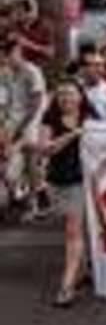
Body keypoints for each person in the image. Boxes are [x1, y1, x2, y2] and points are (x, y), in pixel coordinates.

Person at [30, 81, 97, 307]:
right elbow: (45, 149)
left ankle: (66, 286)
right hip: (58, 181)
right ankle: (84, 269)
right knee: (73, 228)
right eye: (61, 95)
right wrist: (74, 134)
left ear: (80, 96)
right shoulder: (50, 119)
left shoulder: (91, 116)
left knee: (73, 231)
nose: (65, 98)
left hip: (82, 180)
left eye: (70, 93)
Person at [0, 35, 47, 217]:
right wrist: (5, 124)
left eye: (7, 55)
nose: (4, 59)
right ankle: (16, 196)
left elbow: (36, 103)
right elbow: (4, 102)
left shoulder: (32, 71)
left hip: (31, 119)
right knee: (7, 161)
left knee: (30, 160)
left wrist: (21, 128)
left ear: (17, 52)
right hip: (12, 119)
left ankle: (33, 203)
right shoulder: (6, 73)